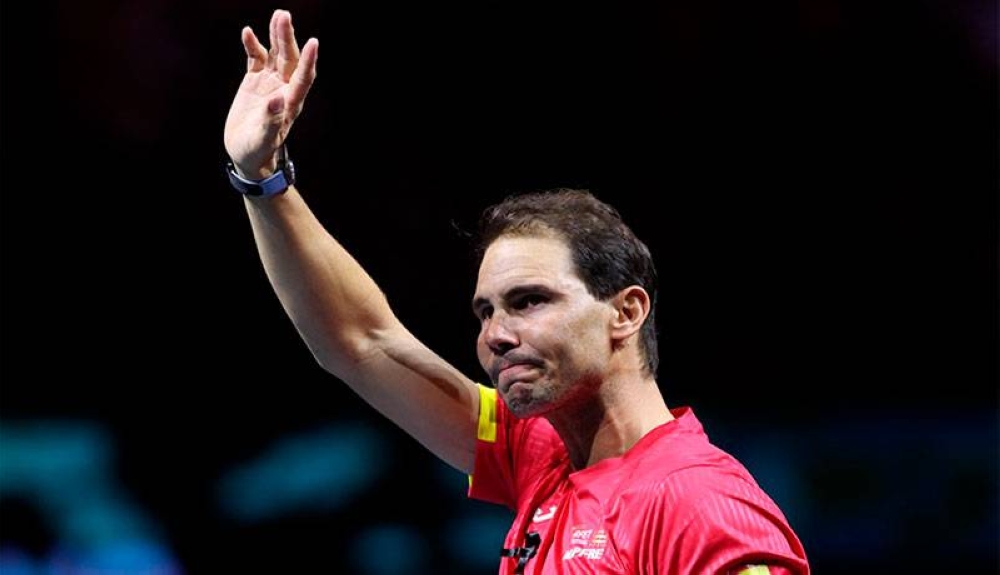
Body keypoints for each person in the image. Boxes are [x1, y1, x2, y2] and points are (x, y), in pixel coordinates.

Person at [222, 9, 811, 575]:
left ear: (625, 312)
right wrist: (262, 182)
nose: (495, 336)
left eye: (530, 301)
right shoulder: (537, 455)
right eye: (485, 312)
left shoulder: (697, 503)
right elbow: (362, 341)